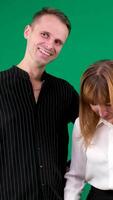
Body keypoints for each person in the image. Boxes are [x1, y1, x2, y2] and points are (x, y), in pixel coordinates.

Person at [0, 7, 79, 200]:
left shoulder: (64, 91)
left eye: (58, 42)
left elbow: (96, 126)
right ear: (28, 31)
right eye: (45, 34)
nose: (50, 44)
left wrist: (77, 170)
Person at [64, 59, 113, 200]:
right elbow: (76, 176)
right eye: (94, 103)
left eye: (108, 104)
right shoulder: (82, 125)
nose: (102, 112)